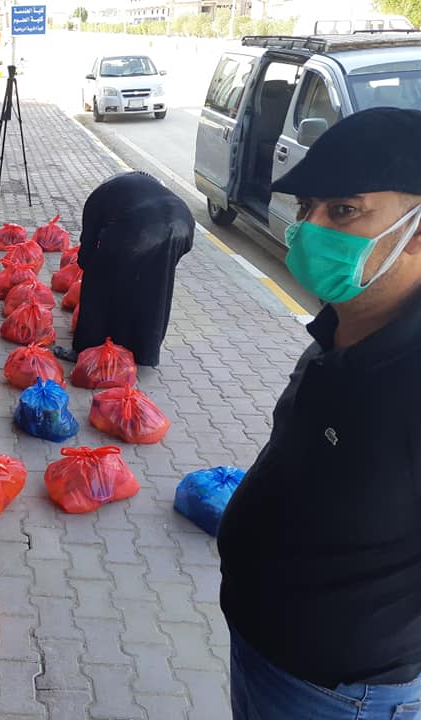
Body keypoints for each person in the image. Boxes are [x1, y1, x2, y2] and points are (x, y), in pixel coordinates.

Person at [217, 107, 421, 719]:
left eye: (345, 210)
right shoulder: (344, 325)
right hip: (265, 651)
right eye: (308, 208)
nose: (309, 229)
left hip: (339, 692)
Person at [55, 171, 194, 366]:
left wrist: (89, 268)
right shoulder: (150, 188)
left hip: (140, 227)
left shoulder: (98, 197)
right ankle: (144, 353)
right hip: (184, 224)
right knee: (154, 287)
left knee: (97, 284)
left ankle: (86, 348)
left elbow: (88, 244)